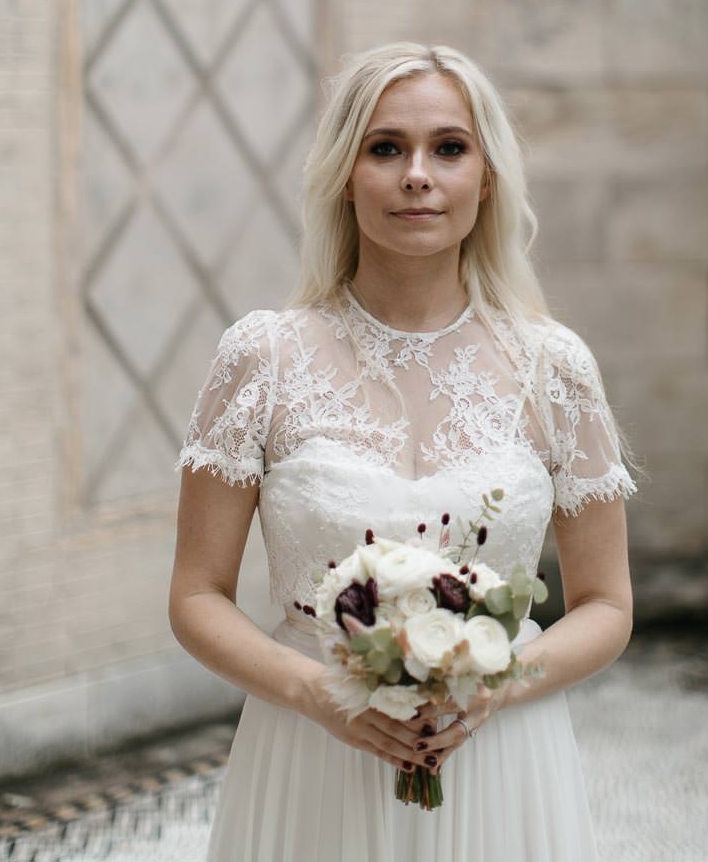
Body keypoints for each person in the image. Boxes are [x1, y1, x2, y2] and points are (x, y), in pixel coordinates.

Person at [169, 42, 639, 860]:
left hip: (499, 757)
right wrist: (320, 693)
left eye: (448, 148)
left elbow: (607, 604)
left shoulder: (553, 366)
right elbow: (196, 594)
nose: (417, 174)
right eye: (386, 148)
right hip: (311, 754)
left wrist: (497, 684)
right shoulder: (263, 359)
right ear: (345, 175)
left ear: (486, 177)